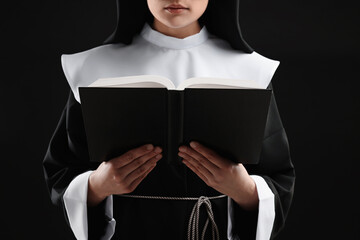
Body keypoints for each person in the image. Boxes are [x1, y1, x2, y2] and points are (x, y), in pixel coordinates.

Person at [43, 0, 295, 239]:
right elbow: (62, 170)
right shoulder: (93, 68)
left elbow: (278, 176)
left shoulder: (249, 71)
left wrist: (244, 190)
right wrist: (97, 186)